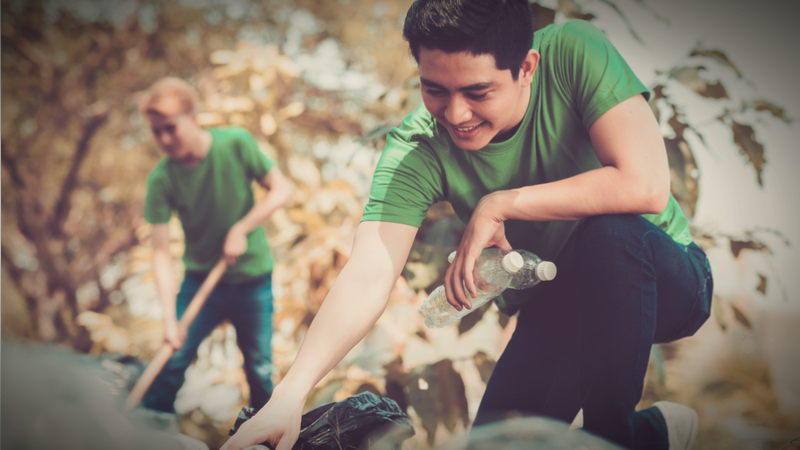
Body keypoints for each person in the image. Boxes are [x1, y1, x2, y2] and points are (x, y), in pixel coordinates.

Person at [223, 0, 713, 449]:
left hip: (663, 277)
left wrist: (498, 204)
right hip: (558, 303)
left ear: (526, 67)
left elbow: (645, 184)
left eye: (478, 92)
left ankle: (616, 440)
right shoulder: (417, 147)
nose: (456, 114)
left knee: (609, 234)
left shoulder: (573, 52)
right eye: (434, 89)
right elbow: (370, 271)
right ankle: (654, 434)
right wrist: (289, 395)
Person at [139, 77, 292, 414]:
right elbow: (161, 253)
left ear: (192, 118)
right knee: (170, 365)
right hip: (200, 284)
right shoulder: (161, 180)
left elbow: (281, 190)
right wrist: (168, 319)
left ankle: (266, 442)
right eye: (156, 131)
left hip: (252, 279)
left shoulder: (235, 144)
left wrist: (242, 227)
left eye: (170, 128)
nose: (164, 139)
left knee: (260, 372)